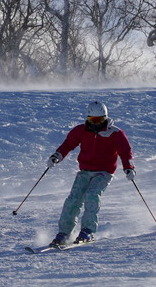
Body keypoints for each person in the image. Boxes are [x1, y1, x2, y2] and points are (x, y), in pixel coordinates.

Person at [45, 100, 134, 246]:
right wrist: (57, 156)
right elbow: (68, 145)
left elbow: (125, 152)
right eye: (92, 120)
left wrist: (129, 167)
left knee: (92, 195)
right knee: (74, 199)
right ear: (88, 118)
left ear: (105, 118)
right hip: (85, 171)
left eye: (99, 120)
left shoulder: (115, 133)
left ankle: (87, 231)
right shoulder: (81, 130)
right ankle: (64, 233)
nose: (96, 123)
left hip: (104, 172)